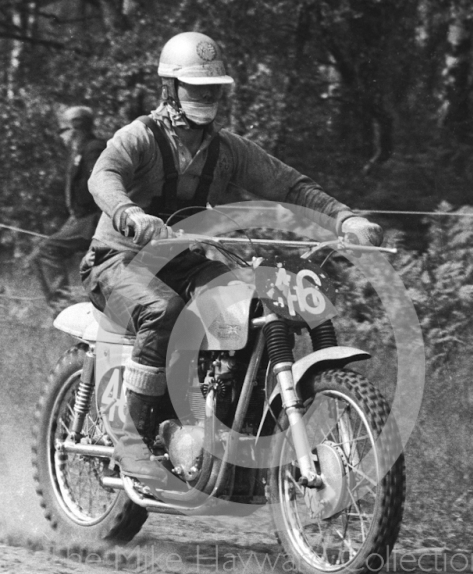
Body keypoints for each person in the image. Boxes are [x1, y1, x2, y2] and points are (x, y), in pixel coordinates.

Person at [82, 31, 383, 482]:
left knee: (248, 304)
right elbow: (103, 176)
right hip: (117, 258)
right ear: (170, 87)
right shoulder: (139, 137)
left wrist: (345, 220)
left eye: (213, 89)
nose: (207, 97)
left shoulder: (227, 151)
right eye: (196, 88)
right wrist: (128, 212)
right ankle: (135, 444)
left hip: (182, 262)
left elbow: (291, 186)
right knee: (162, 311)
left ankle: (226, 430)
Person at [28, 106, 105, 315]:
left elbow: (101, 186)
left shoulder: (93, 149)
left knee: (48, 251)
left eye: (62, 130)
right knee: (37, 255)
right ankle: (60, 308)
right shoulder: (80, 152)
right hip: (82, 217)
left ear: (75, 128)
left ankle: (65, 310)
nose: (60, 136)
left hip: (96, 219)